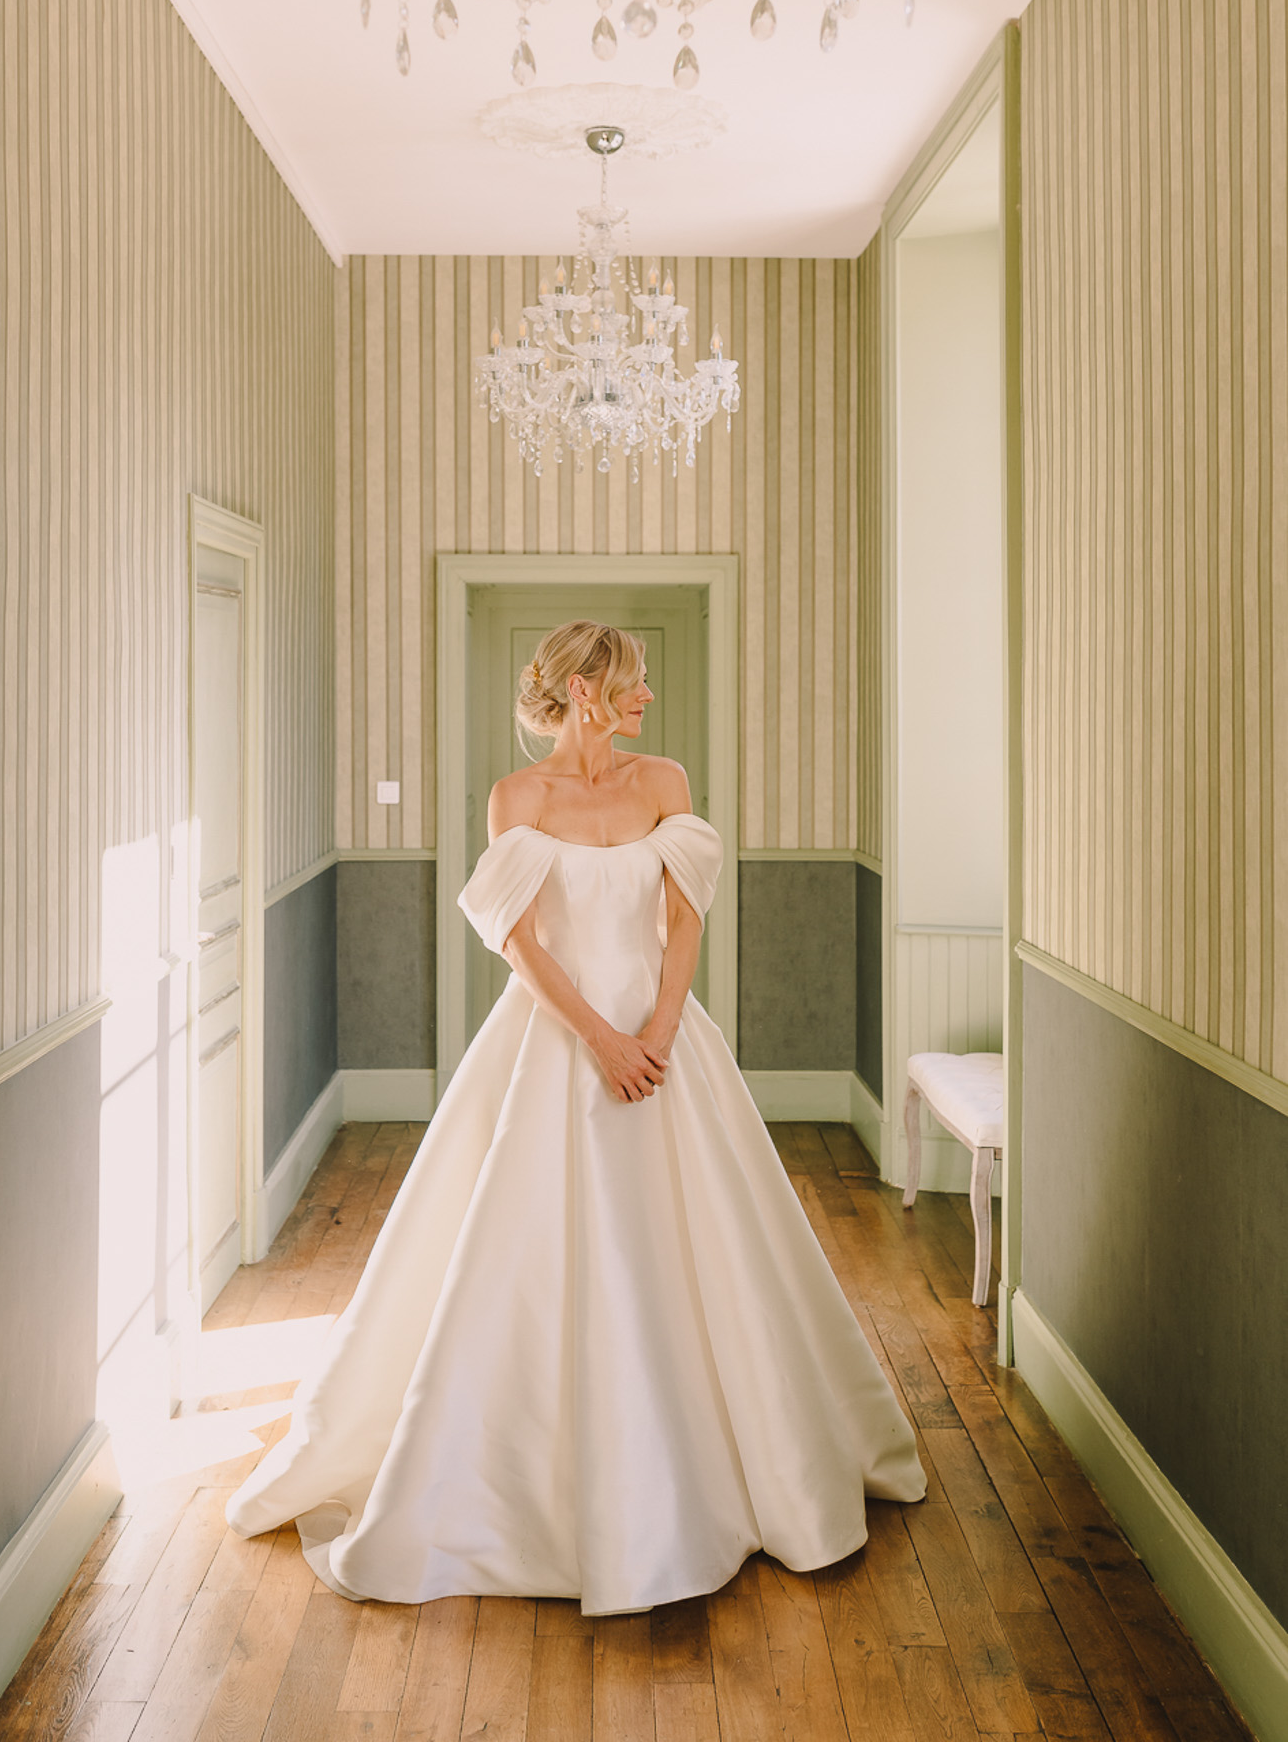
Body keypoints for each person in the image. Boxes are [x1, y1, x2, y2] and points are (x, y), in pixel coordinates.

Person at [225, 619, 925, 1614]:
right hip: (557, 1039)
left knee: (709, 1249)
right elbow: (522, 949)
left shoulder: (664, 782)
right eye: (634, 681)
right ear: (587, 691)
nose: (647, 697)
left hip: (665, 1039)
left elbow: (685, 920)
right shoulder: (518, 799)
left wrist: (661, 1030)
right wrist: (601, 1039)